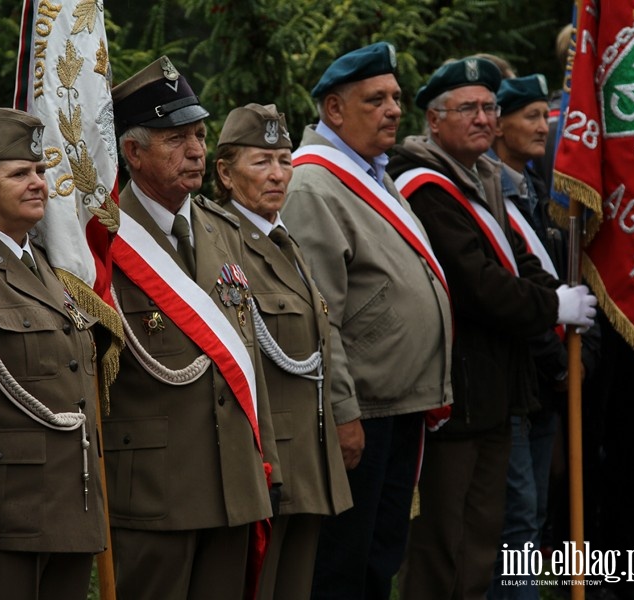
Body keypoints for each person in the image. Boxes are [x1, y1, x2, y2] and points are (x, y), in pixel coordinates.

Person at [387, 56, 597, 599]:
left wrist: (553, 294)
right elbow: (477, 282)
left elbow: (517, 262)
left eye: (489, 107)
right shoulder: (425, 184)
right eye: (468, 108)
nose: (484, 118)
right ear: (434, 120)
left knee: (483, 542)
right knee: (444, 545)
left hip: (495, 391)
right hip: (454, 393)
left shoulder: (479, 174)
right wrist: (553, 309)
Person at [280, 42, 454, 600]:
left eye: (397, 97)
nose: (393, 110)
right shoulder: (314, 184)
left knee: (380, 557)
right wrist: (344, 414)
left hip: (397, 402)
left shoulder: (374, 173)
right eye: (375, 99)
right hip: (364, 410)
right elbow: (318, 314)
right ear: (334, 110)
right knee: (344, 565)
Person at [104, 56, 280, 600]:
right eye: (176, 138)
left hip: (233, 482)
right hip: (157, 491)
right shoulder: (101, 241)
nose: (198, 150)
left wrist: (264, 462)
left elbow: (246, 353)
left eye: (201, 134)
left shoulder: (219, 229)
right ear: (133, 152)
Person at [0, 107, 107, 600]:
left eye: (39, 171)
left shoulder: (43, 266)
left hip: (69, 516)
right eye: (19, 174)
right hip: (3, 524)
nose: (38, 183)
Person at [213, 103, 353, 600]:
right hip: (267, 458)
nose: (277, 174)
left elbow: (319, 335)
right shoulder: (221, 241)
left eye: (284, 160)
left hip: (308, 454)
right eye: (261, 162)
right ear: (225, 174)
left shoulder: (282, 238)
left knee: (296, 585)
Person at [486, 73, 601, 598]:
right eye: (529, 116)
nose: (543, 126)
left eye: (544, 115)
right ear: (499, 126)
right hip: (521, 377)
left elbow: (564, 277)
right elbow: (515, 289)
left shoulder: (539, 191)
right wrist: (557, 363)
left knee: (533, 512)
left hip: (547, 379)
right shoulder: (491, 196)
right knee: (518, 523)